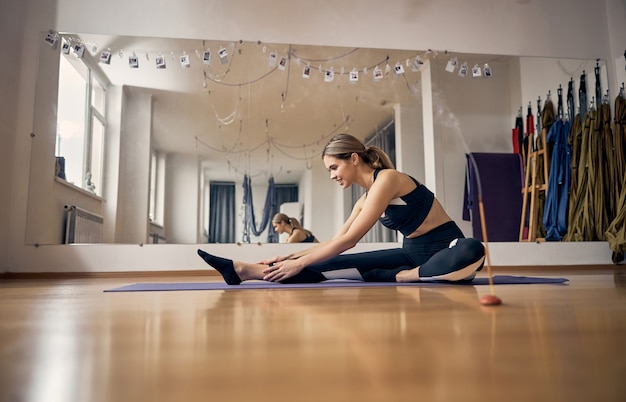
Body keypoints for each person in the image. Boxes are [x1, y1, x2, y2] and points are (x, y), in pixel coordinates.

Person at [198, 133, 485, 285]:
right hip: (411, 253)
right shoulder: (364, 198)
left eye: (334, 167)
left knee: (472, 250)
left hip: (447, 250)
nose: (333, 175)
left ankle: (400, 276)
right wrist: (290, 256)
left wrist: (299, 262)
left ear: (354, 159)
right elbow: (336, 242)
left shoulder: (388, 179)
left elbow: (350, 241)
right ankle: (242, 270)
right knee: (327, 264)